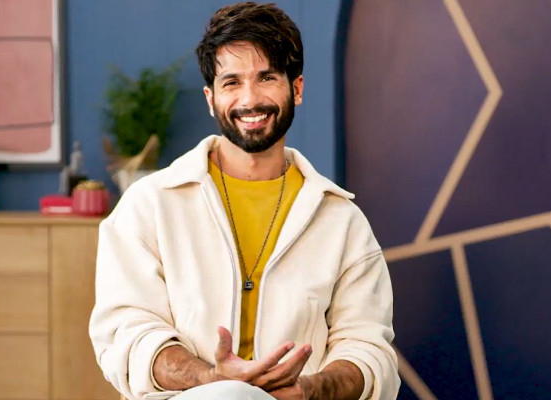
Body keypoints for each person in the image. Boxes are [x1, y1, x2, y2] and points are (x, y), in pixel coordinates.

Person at [88, 2, 399, 400]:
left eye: (266, 78)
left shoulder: (342, 221)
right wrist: (209, 379)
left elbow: (370, 351)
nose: (250, 99)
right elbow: (125, 333)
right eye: (232, 82)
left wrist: (310, 389)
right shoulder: (148, 205)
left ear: (297, 89)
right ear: (210, 98)